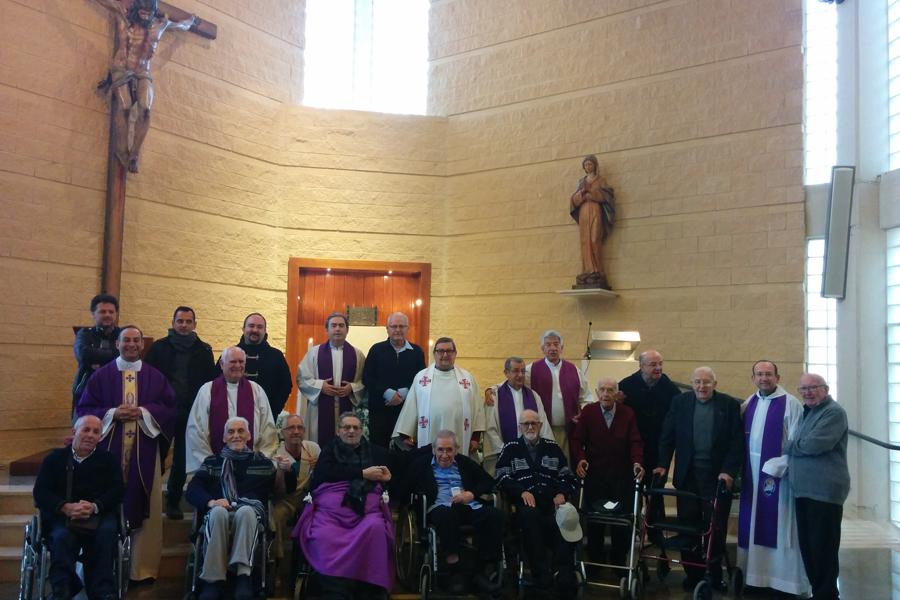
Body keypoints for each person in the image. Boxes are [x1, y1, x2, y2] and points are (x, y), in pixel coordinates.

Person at [76, 326, 176, 582]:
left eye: (136, 340)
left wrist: (144, 412)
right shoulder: (101, 376)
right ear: (117, 344)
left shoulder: (155, 377)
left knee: (147, 507)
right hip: (108, 454)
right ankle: (99, 569)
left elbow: (170, 408)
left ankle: (140, 570)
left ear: (142, 344)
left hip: (144, 453)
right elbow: (85, 408)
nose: (131, 344)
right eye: (126, 340)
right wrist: (112, 414)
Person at [654, 366, 743, 591]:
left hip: (717, 478)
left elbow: (736, 443)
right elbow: (667, 436)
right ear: (691, 384)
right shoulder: (680, 403)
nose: (701, 387)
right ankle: (692, 573)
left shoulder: (729, 405)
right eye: (697, 382)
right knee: (688, 527)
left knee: (717, 527)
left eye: (706, 382)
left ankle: (714, 574)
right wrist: (663, 465)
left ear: (715, 383)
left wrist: (729, 472)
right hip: (688, 477)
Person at [293, 412, 395, 599]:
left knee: (376, 528)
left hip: (366, 510)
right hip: (331, 511)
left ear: (362, 430)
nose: (351, 431)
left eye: (355, 427)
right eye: (346, 427)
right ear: (338, 430)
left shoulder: (376, 452)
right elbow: (324, 475)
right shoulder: (329, 450)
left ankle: (369, 588)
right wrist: (362, 473)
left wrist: (387, 480)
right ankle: (335, 588)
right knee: (323, 534)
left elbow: (386, 480)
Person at [92, 0, 197, 173]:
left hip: (143, 72)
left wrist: (192, 20)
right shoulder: (123, 17)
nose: (145, 16)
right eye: (142, 13)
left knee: (146, 110)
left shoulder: (160, 26)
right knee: (124, 107)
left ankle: (134, 153)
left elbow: (182, 25)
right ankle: (122, 150)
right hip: (121, 69)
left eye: (149, 13)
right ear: (136, 9)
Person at [737, 360, 810, 596]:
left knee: (779, 527)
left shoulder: (791, 404)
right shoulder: (749, 403)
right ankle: (754, 578)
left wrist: (780, 466)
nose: (764, 378)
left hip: (779, 476)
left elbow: (797, 442)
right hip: (751, 474)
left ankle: (782, 581)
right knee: (752, 524)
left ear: (777, 377)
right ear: (753, 378)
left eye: (768, 374)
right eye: (759, 374)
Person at [185, 417, 279, 600]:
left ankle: (243, 576)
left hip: (250, 513)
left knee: (246, 512)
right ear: (224, 437)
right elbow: (193, 490)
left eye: (241, 431)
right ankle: (212, 581)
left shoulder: (262, 463)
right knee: (218, 512)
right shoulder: (212, 462)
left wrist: (285, 471)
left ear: (249, 435)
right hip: (218, 511)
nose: (236, 435)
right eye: (231, 432)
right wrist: (211, 502)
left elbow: (278, 490)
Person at [400, 430, 504, 594]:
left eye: (449, 450)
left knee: (494, 515)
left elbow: (488, 482)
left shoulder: (464, 462)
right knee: (446, 515)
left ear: (456, 450)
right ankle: (453, 568)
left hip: (466, 505)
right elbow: (404, 488)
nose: (445, 454)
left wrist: (471, 494)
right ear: (434, 450)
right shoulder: (421, 465)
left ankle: (481, 570)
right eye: (440, 449)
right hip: (439, 507)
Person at [33, 415, 124, 600]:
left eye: (96, 432)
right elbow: (41, 492)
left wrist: (95, 506)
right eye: (86, 430)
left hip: (99, 514)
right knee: (60, 537)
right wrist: (65, 507)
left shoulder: (109, 460)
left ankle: (103, 591)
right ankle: (63, 588)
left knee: (106, 535)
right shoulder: (54, 459)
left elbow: (117, 490)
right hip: (63, 515)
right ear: (75, 432)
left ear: (100, 437)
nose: (90, 435)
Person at [495, 409, 579, 594]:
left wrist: (562, 493)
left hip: (552, 504)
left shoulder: (552, 447)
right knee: (530, 517)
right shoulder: (511, 448)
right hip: (525, 507)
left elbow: (568, 477)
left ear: (540, 425)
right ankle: (542, 577)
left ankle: (563, 574)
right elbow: (501, 477)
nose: (530, 427)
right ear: (520, 427)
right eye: (526, 424)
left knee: (569, 519)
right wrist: (521, 491)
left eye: (534, 423)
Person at [144, 305, 216, 519]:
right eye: (180, 321)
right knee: (156, 455)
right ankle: (149, 499)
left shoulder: (204, 349)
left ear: (195, 324)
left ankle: (173, 501)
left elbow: (208, 381)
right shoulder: (159, 348)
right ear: (173, 323)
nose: (184, 325)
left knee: (182, 459)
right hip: (162, 410)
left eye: (188, 321)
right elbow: (149, 378)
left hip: (191, 410)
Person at [784, 374, 849, 600]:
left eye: (813, 388)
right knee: (809, 547)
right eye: (803, 389)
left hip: (824, 492)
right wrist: (796, 445)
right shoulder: (807, 412)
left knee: (823, 547)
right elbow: (803, 442)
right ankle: (818, 592)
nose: (808, 392)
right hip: (804, 491)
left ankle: (827, 594)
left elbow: (814, 444)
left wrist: (790, 446)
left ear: (826, 389)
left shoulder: (833, 412)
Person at [571, 378, 644, 566]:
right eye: (602, 389)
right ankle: (595, 561)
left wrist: (637, 462)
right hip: (596, 475)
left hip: (622, 476)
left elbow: (635, 441)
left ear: (616, 394)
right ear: (596, 392)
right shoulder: (589, 412)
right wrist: (580, 459)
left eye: (610, 390)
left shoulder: (627, 414)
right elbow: (577, 440)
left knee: (621, 521)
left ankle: (619, 562)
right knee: (595, 522)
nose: (606, 394)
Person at [186, 346, 278, 474]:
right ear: (222, 364)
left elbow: (267, 429)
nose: (238, 365)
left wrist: (260, 460)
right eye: (233, 362)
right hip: (215, 468)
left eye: (241, 362)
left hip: (251, 468)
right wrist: (209, 462)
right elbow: (195, 431)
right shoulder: (207, 390)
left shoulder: (256, 390)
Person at [392, 337, 484, 456]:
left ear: (455, 353)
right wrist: (405, 435)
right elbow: (411, 407)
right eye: (440, 351)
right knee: (430, 466)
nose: (445, 355)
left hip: (461, 435)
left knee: (459, 467)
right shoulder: (421, 378)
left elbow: (478, 410)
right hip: (429, 436)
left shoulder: (467, 378)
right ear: (434, 354)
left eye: (449, 351)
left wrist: (475, 438)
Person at [297, 312, 366, 445]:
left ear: (347, 330)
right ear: (327, 330)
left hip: (348, 407)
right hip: (319, 411)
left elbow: (365, 380)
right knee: (320, 445)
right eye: (333, 325)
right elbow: (302, 378)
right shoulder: (314, 353)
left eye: (341, 325)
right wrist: (320, 386)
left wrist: (352, 387)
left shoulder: (357, 355)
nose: (338, 329)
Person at [525, 330, 593, 459]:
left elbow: (586, 397)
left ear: (562, 348)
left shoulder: (574, 370)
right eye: (548, 345)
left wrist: (583, 414)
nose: (552, 348)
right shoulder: (531, 370)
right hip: (543, 430)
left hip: (569, 430)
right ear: (542, 348)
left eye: (556, 344)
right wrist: (492, 389)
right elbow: (513, 381)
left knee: (567, 464)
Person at [362, 312, 426, 448]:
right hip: (380, 410)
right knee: (379, 450)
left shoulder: (417, 352)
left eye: (402, 326)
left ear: (408, 329)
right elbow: (367, 377)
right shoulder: (376, 350)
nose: (398, 330)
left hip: (407, 410)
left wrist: (404, 393)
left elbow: (421, 379)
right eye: (394, 326)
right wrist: (387, 392)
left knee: (404, 450)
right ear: (387, 329)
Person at [215, 313, 293, 418]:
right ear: (243, 329)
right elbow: (216, 382)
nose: (255, 330)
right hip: (231, 416)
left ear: (265, 331)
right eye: (251, 326)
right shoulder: (229, 354)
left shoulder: (276, 356)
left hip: (265, 416)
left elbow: (286, 385)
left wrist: (273, 410)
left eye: (260, 327)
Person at [483, 357, 553, 474]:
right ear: (506, 373)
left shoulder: (534, 396)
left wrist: (548, 449)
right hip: (504, 454)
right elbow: (491, 429)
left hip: (532, 454)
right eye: (515, 371)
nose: (520, 375)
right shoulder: (495, 396)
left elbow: (543, 425)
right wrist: (506, 450)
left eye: (523, 371)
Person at [271, 414, 320, 577]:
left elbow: (322, 478)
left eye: (300, 428)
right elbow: (277, 491)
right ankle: (276, 563)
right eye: (291, 428)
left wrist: (318, 467)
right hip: (285, 499)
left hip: (309, 498)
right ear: (282, 433)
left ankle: (314, 564)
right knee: (275, 517)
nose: (296, 431)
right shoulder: (275, 454)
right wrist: (280, 471)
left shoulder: (313, 448)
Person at [619, 349, 681, 477]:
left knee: (656, 485)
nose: (658, 368)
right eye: (653, 364)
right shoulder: (626, 385)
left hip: (659, 445)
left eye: (660, 364)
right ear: (641, 366)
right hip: (634, 446)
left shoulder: (669, 387)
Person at [569, 154, 615, 288]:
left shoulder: (601, 180)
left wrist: (592, 194)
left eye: (590, 164)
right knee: (585, 240)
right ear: (584, 167)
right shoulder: (581, 182)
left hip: (595, 210)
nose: (588, 166)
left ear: (595, 165)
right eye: (586, 165)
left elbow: (607, 197)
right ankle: (587, 270)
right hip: (584, 211)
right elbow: (573, 200)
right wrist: (581, 194)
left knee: (595, 239)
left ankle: (598, 271)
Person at [72, 294, 121, 417]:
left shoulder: (122, 334)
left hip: (116, 393)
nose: (107, 315)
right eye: (102, 311)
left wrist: (97, 358)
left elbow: (127, 355)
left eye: (111, 311)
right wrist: (114, 356)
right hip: (86, 392)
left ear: (116, 314)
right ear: (93, 314)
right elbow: (83, 355)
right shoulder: (84, 334)